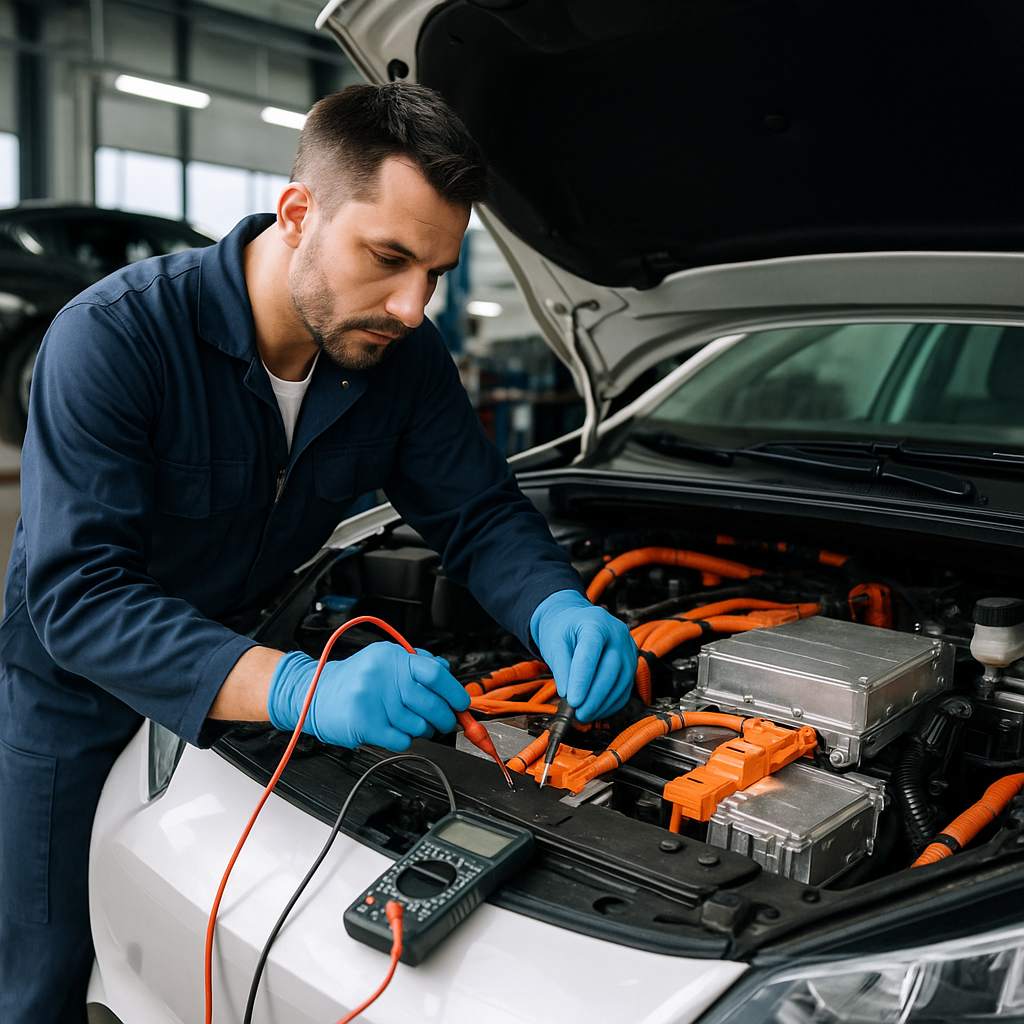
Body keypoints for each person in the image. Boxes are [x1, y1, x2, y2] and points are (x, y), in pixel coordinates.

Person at [0, 82, 636, 1022]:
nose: (414, 306)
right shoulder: (116, 336)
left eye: (437, 273)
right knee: (44, 973)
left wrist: (555, 604)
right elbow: (81, 598)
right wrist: (305, 687)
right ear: (298, 213)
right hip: (80, 696)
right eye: (388, 258)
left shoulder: (399, 359)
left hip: (250, 677)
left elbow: (479, 513)